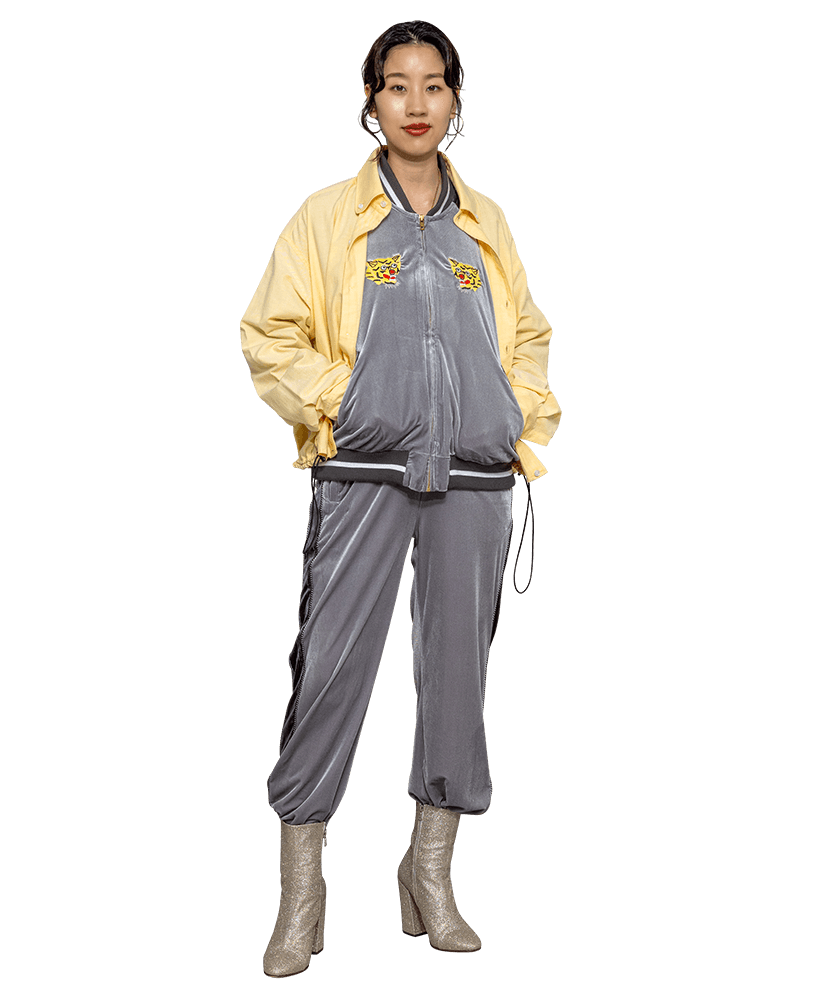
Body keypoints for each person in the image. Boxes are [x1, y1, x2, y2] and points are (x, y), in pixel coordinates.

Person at [240, 20, 561, 978]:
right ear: (371, 100)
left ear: (455, 101)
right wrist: (346, 406)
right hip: (362, 474)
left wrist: (514, 418)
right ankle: (303, 892)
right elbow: (270, 332)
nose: (415, 104)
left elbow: (527, 333)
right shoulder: (327, 215)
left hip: (476, 482)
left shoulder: (484, 222)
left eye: (433, 86)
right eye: (396, 85)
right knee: (331, 672)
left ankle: (429, 875)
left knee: (460, 676)